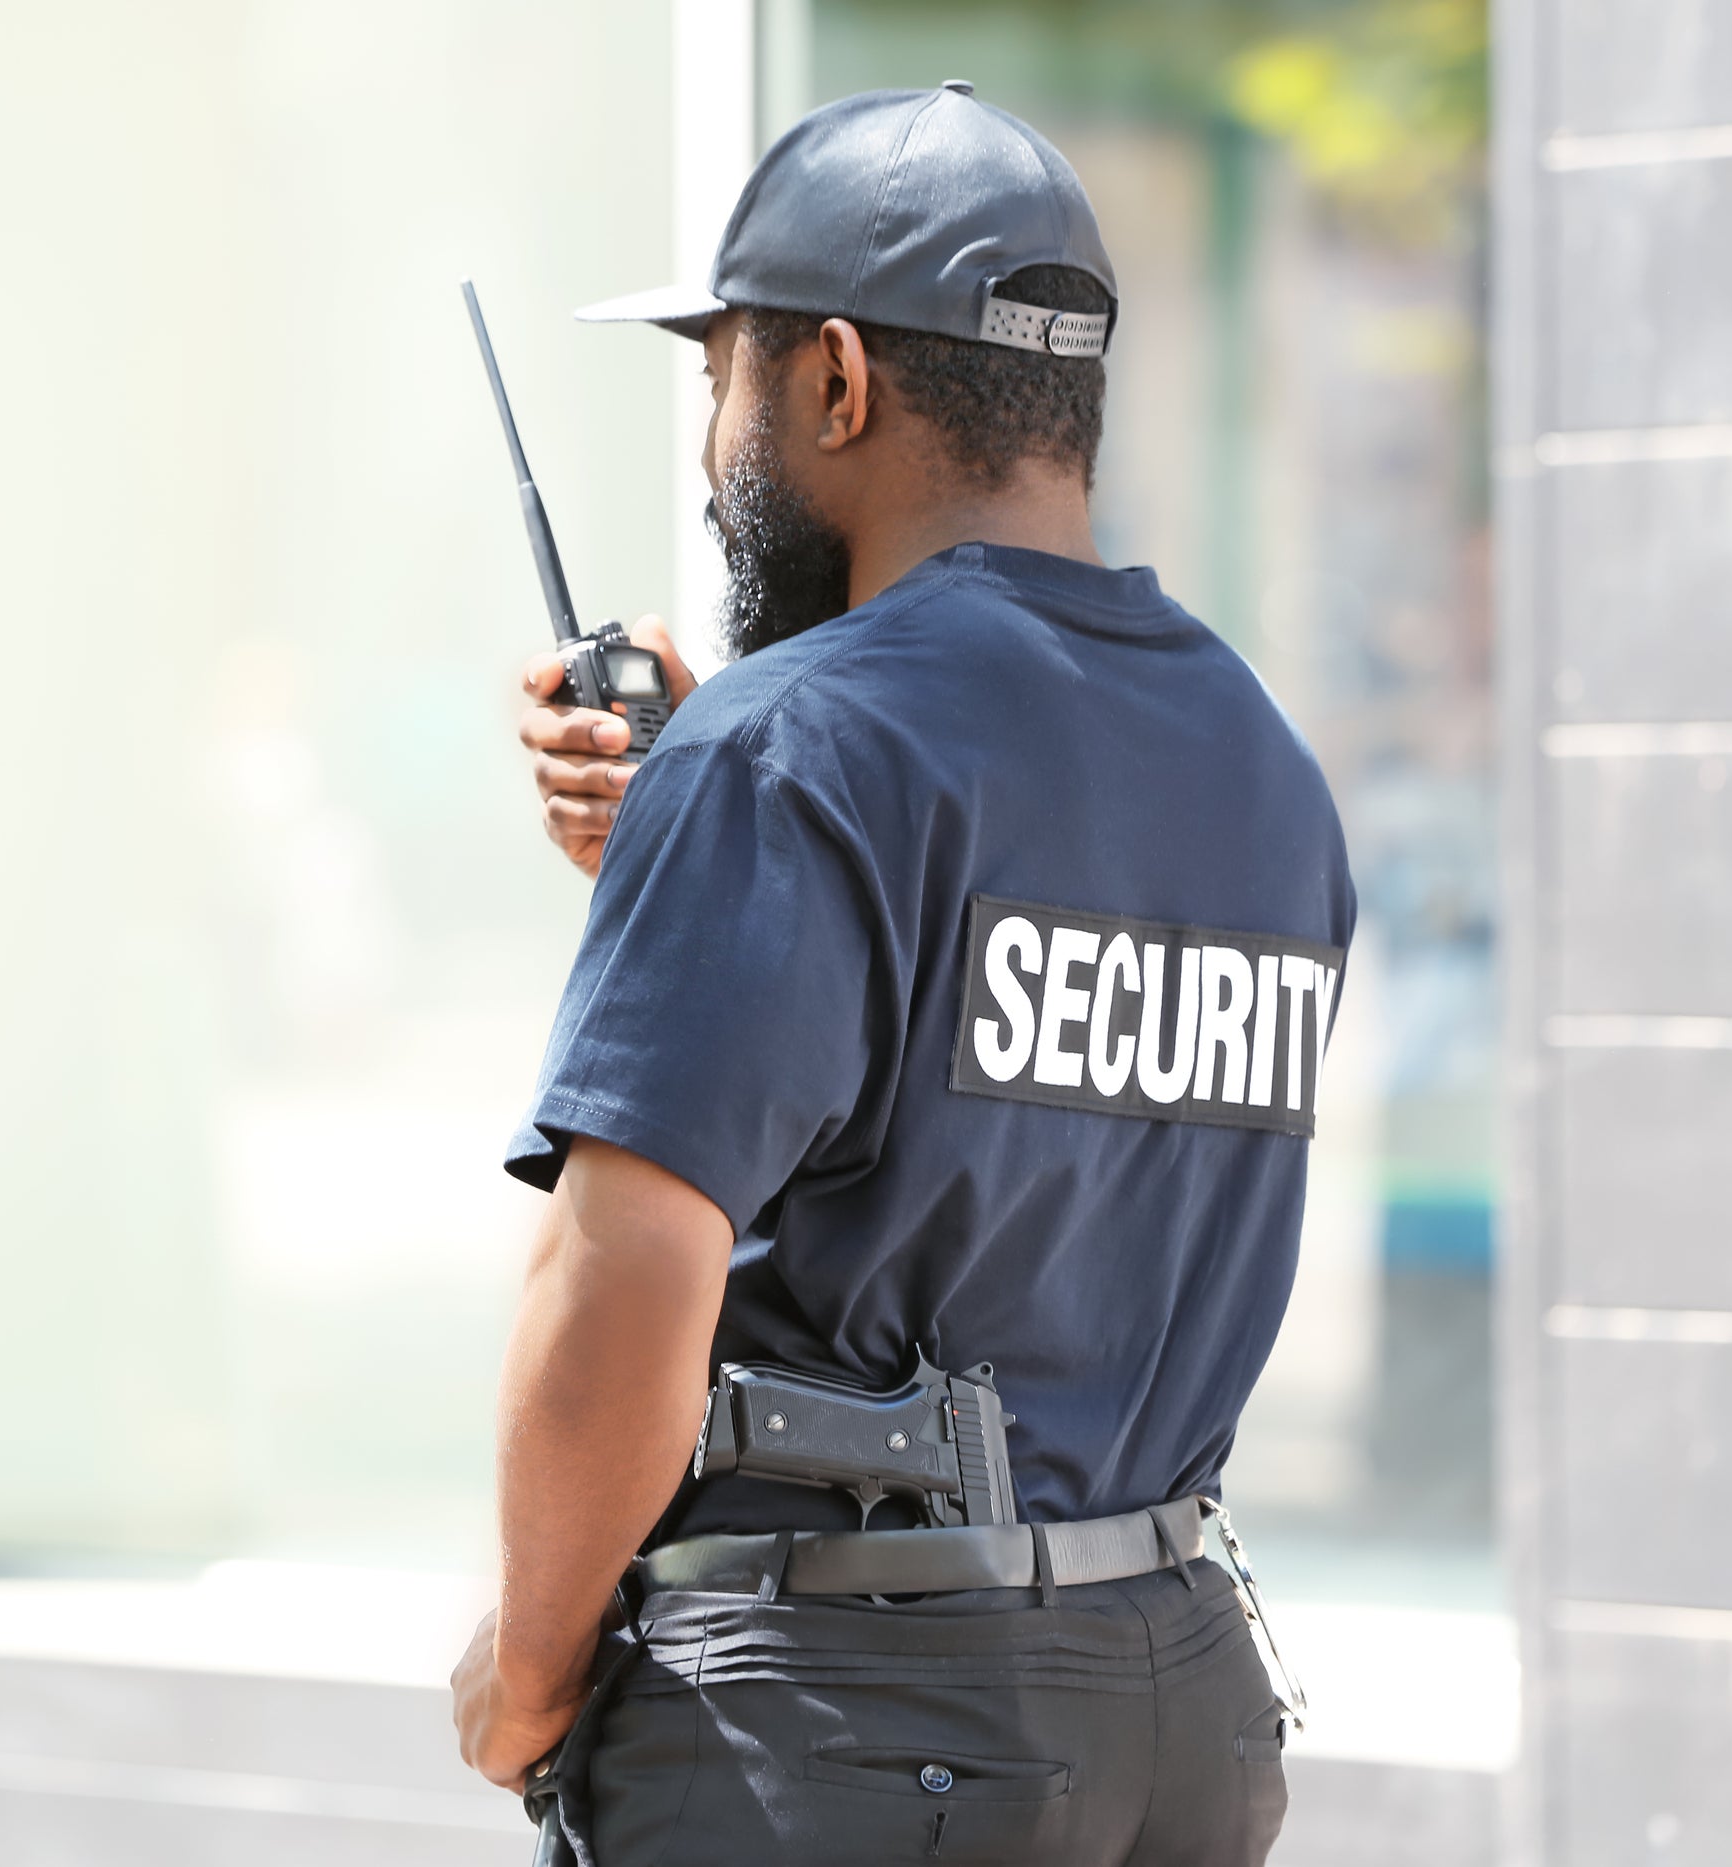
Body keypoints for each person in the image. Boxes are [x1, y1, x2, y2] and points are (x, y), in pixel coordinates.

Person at [452, 83, 1355, 1866]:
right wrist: (691, 859)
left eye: (722, 382)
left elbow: (624, 1269)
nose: (713, 453)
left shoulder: (795, 754)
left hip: (854, 1733)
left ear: (837, 385)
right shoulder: (1259, 760)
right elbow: (1007, 1116)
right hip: (1174, 1701)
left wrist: (526, 1674)